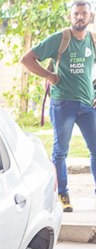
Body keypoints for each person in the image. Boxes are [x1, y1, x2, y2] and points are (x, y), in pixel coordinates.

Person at [21, 0, 96, 213]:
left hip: (87, 105)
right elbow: (26, 59)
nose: (80, 17)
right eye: (76, 14)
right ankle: (63, 193)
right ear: (70, 17)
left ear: (90, 17)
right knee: (61, 151)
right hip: (63, 104)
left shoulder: (92, 40)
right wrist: (49, 76)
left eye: (84, 14)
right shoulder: (59, 39)